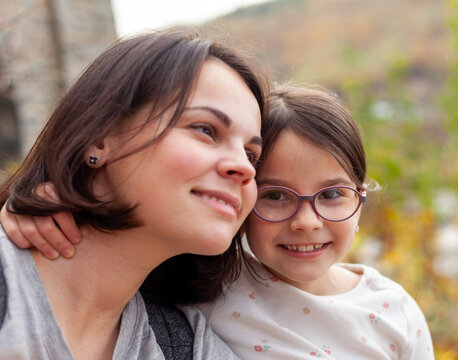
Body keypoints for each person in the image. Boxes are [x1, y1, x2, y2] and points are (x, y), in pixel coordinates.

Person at [3, 85, 435, 359]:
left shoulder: (392, 310)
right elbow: (126, 244)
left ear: (360, 197)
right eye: (276, 196)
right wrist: (45, 200)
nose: (306, 221)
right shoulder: (209, 279)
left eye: (332, 195)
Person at [0, 26, 269, 359]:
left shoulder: (188, 346)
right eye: (205, 129)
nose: (245, 168)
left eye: (252, 154)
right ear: (99, 137)